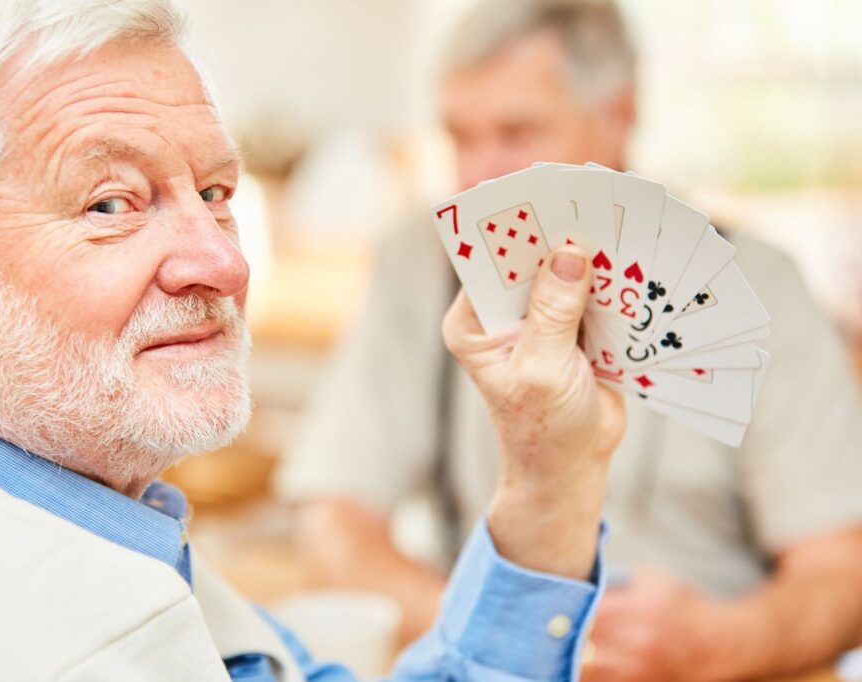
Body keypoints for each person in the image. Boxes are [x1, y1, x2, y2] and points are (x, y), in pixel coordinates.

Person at [0, 1, 633, 680]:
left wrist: (550, 475)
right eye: (112, 204)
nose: (226, 260)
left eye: (216, 193)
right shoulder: (51, 639)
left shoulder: (76, 503)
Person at [278, 1, 862, 680]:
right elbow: (334, 527)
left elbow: (844, 570)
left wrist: (721, 643)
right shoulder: (421, 264)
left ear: (619, 113)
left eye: (517, 132)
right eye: (460, 137)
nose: (478, 177)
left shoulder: (758, 283)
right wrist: (500, 635)